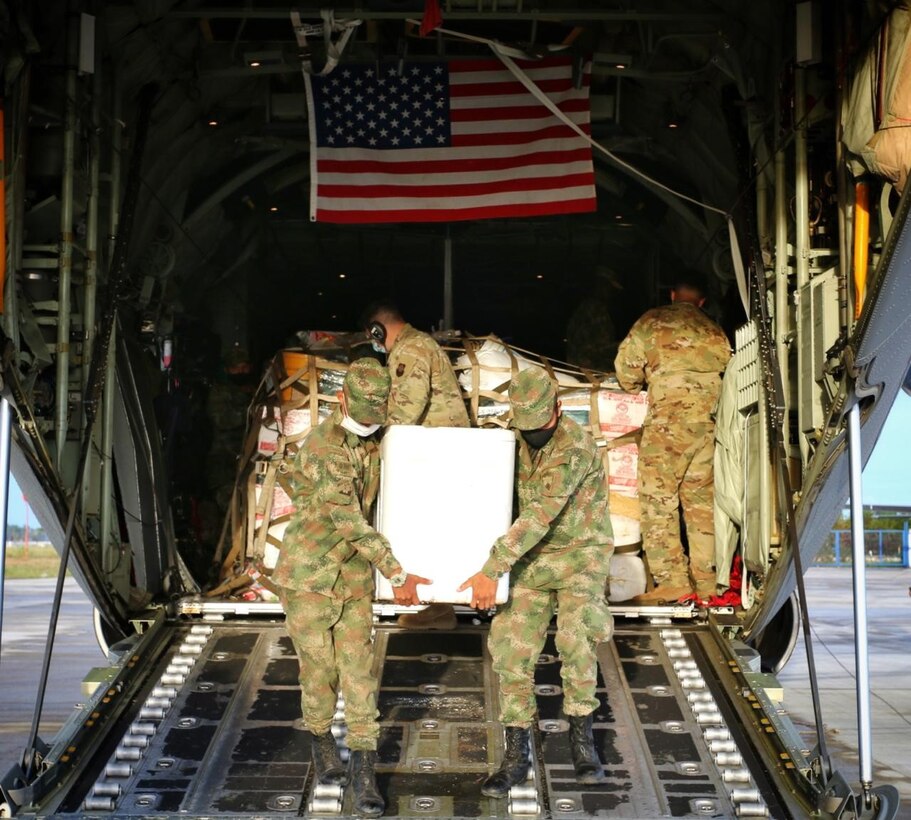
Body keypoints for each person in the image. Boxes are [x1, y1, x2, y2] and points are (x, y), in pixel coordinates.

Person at [272, 358, 430, 818]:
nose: (369, 423)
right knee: (319, 674)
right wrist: (397, 575)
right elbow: (348, 521)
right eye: (362, 415)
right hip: (311, 578)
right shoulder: (325, 449)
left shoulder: (376, 441)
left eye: (375, 416)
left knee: (360, 675)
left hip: (354, 577)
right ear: (342, 401)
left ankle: (364, 775)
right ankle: (322, 742)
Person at [458, 368, 614, 798]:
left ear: (558, 410)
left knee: (576, 640)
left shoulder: (574, 447)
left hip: (579, 556)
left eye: (539, 427)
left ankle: (582, 743)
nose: (533, 435)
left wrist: (492, 569)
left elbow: (540, 513)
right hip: (532, 558)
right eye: (525, 428)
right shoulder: (516, 438)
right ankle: (515, 754)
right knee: (511, 648)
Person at [613, 274, 732, 604]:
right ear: (703, 301)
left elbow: (626, 372)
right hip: (709, 426)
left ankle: (672, 581)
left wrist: (639, 385)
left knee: (658, 499)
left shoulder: (653, 321)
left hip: (669, 424)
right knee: (701, 506)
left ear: (672, 293)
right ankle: (708, 584)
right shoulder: (715, 332)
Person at [361, 299, 469, 630]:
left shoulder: (411, 350)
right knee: (432, 531)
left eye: (371, 336)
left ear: (377, 329)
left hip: (438, 454)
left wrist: (367, 438)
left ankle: (439, 608)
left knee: (433, 530)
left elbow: (405, 410)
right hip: (433, 453)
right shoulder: (414, 347)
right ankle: (437, 608)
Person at [565, 265, 623, 371]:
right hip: (590, 372)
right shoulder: (596, 310)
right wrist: (624, 345)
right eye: (610, 288)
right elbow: (599, 350)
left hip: (578, 368)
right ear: (601, 286)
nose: (611, 293)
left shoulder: (584, 307)